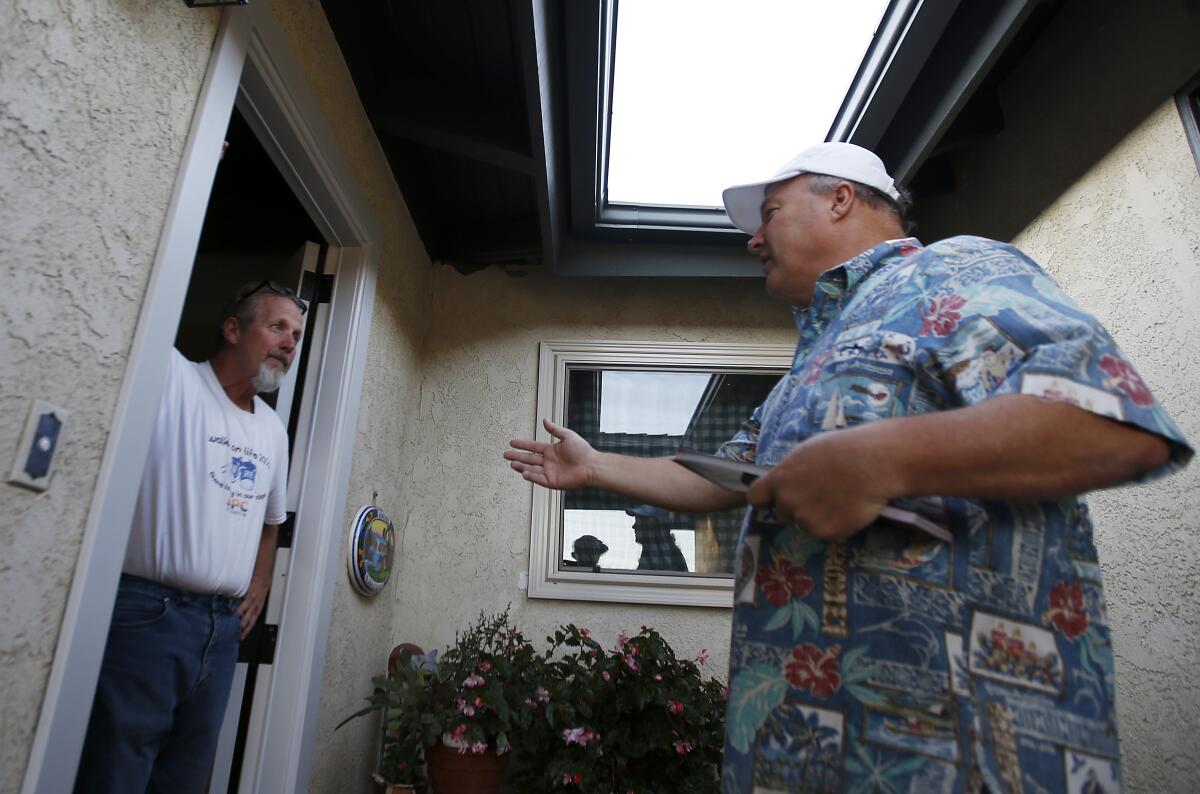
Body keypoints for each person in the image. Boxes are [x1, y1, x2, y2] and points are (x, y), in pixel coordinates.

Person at [506, 142, 1192, 792]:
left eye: (768, 214)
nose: (752, 239)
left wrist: (887, 459)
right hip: (807, 749)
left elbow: (1107, 423)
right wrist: (596, 467)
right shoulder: (808, 368)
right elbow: (720, 476)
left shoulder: (954, 271)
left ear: (839, 199)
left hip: (954, 750)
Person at [75, 280, 306, 793]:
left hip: (222, 631)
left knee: (184, 776)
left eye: (296, 333)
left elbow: (272, 521)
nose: (291, 343)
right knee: (116, 769)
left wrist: (261, 579)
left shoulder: (272, 430)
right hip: (146, 616)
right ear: (231, 329)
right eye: (277, 327)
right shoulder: (173, 379)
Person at [627, 505, 689, 572]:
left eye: (640, 521)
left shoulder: (661, 553)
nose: (634, 526)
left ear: (655, 524)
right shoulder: (652, 550)